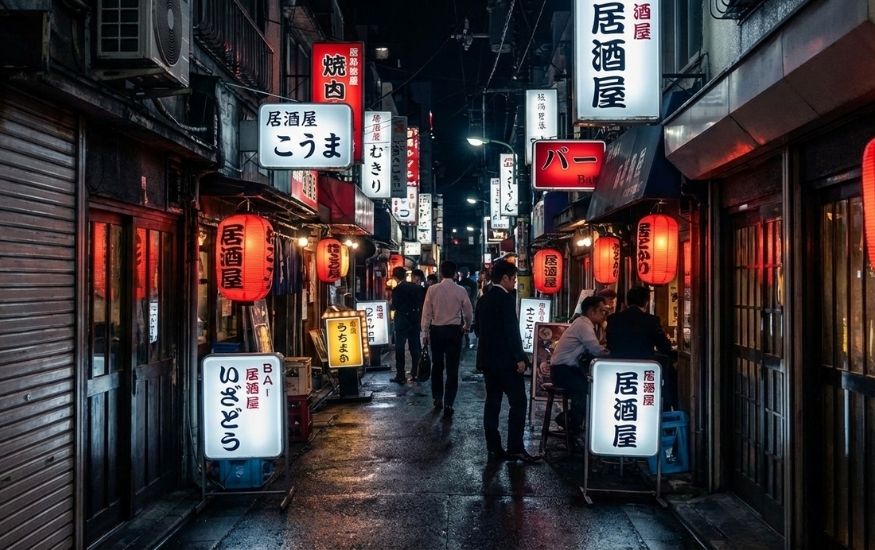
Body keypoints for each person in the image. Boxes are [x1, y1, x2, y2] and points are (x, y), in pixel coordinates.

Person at [475, 260, 541, 463]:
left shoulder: (483, 299)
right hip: (506, 361)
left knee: (492, 403)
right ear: (504, 278)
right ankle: (514, 447)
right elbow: (512, 331)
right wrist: (520, 358)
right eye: (513, 279)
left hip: (488, 361)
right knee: (518, 402)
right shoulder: (505, 299)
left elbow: (477, 330)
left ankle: (493, 447)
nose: (514, 283)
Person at [606, 286, 678, 410]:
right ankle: (668, 407)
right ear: (646, 302)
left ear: (627, 302)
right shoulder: (651, 320)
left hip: (617, 368)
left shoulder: (613, 319)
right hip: (645, 366)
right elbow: (664, 347)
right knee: (668, 366)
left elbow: (610, 344)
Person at [549, 295, 610, 433]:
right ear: (591, 311)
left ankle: (575, 424)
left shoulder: (584, 323)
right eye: (602, 311)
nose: (604, 315)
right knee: (586, 390)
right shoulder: (583, 325)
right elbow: (595, 349)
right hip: (562, 371)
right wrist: (610, 353)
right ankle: (569, 420)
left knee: (587, 388)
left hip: (565, 369)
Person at [421, 260, 474, 417]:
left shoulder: (432, 290)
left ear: (441, 273)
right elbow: (469, 312)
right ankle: (449, 402)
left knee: (437, 366)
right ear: (455, 273)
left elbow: (426, 313)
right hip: (453, 332)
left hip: (436, 331)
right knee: (452, 369)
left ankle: (438, 398)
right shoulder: (461, 290)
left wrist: (425, 333)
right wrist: (467, 326)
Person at [389, 266, 425, 384]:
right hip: (414, 320)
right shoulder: (417, 288)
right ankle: (416, 372)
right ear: (406, 276)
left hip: (402, 321)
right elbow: (421, 303)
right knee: (415, 347)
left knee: (400, 348)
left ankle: (400, 375)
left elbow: (395, 306)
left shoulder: (397, 289)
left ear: (394, 276)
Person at [456, 267, 478, 349]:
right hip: (470, 305)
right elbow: (474, 296)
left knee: (461, 322)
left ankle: (463, 338)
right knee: (469, 322)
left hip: (460, 306)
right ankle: (468, 338)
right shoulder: (473, 283)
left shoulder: (458, 284)